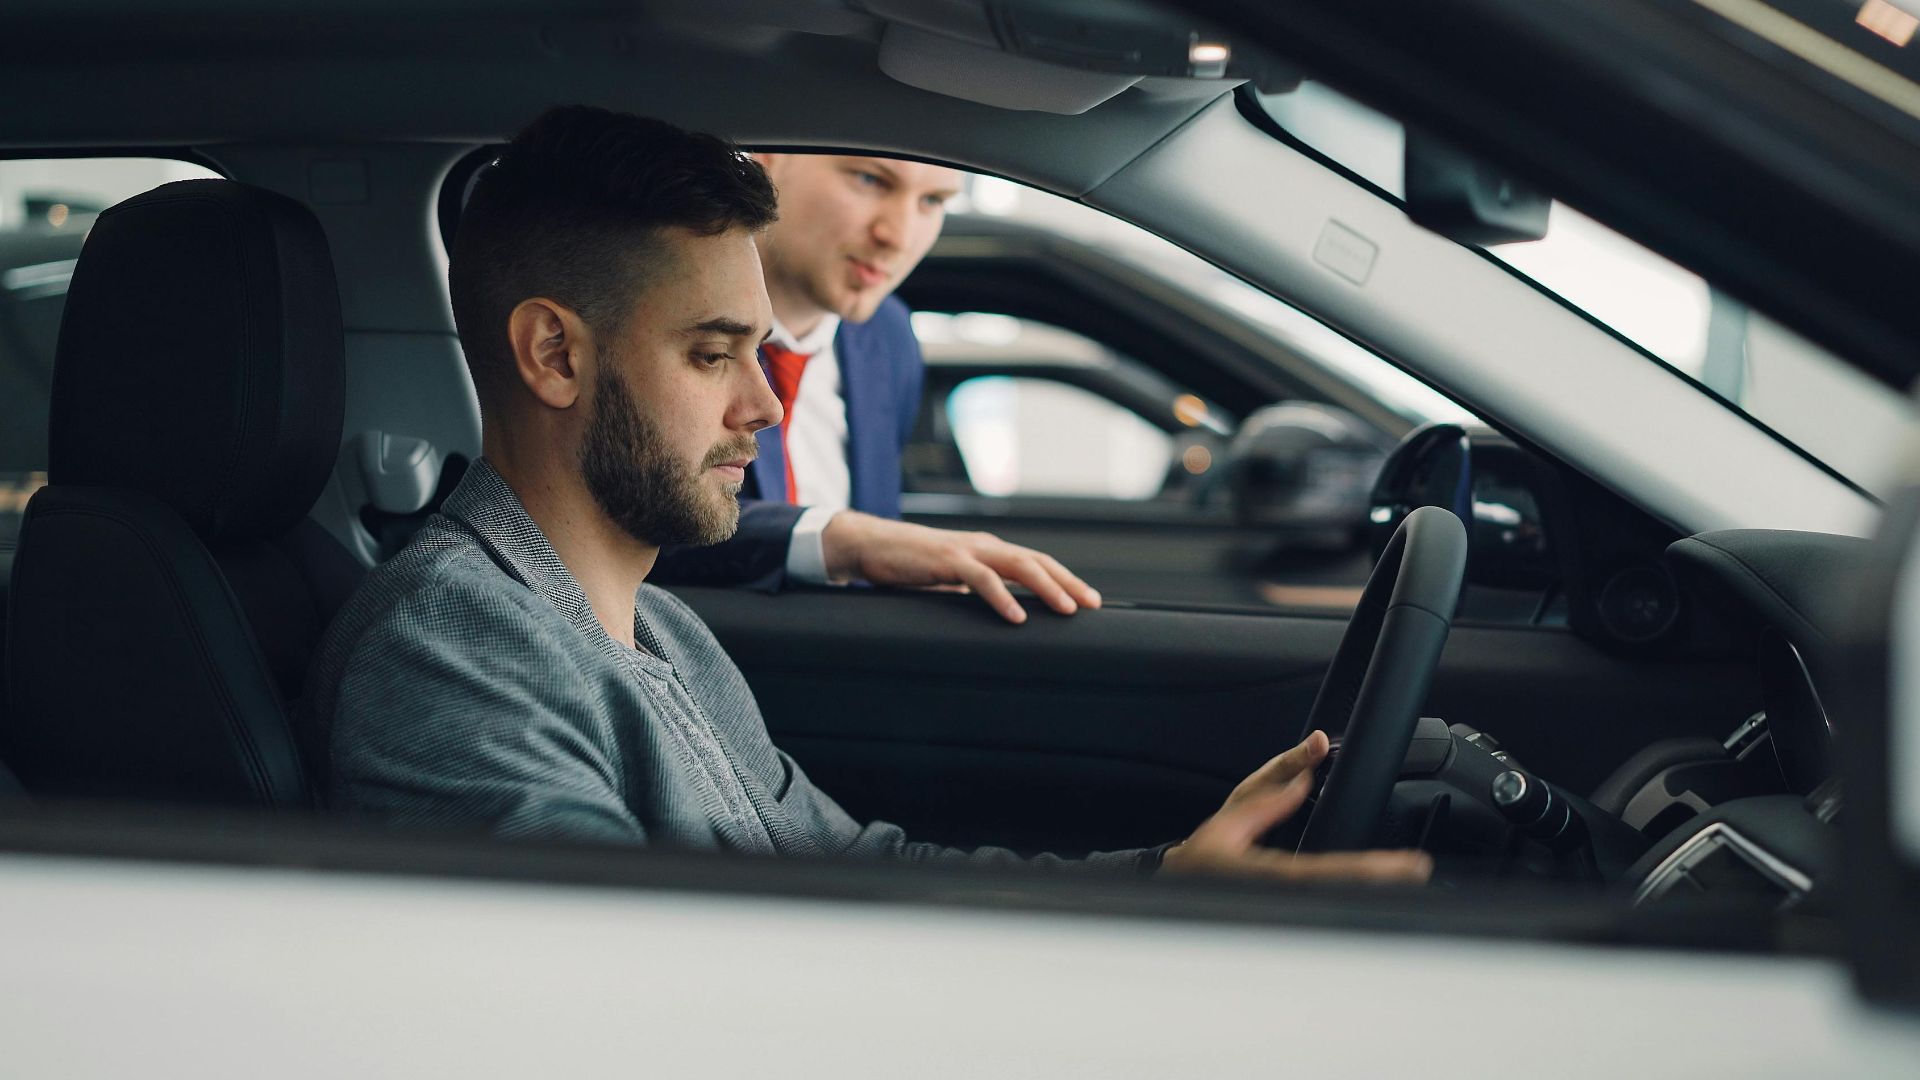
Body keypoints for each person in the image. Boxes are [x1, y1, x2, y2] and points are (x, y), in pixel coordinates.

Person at [307, 105, 1429, 884]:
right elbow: (630, 1000)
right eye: (711, 355)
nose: (765, 403)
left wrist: (1171, 879)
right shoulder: (448, 656)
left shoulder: (663, 630)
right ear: (554, 354)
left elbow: (846, 870)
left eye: (760, 352)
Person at [649, 153, 1094, 626]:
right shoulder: (665, 312)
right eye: (870, 180)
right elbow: (632, 519)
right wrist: (843, 540)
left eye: (933, 200)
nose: (898, 237)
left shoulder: (889, 337)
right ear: (768, 161)